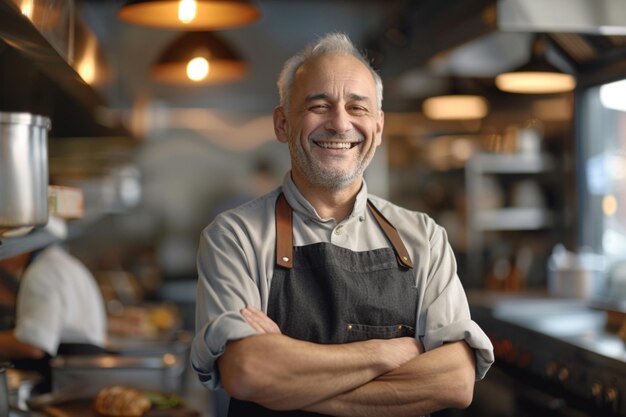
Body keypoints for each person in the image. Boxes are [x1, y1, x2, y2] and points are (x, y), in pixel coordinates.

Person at [191, 32, 494, 417]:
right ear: (283, 124)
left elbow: (454, 381)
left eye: (358, 107)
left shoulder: (425, 238)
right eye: (319, 105)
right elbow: (249, 371)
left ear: (378, 127)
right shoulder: (234, 237)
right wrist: (390, 352)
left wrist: (291, 379)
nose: (339, 123)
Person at [0, 244, 107, 392]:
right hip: (83, 380)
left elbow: (32, 345)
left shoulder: (42, 271)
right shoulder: (63, 263)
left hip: (61, 387)